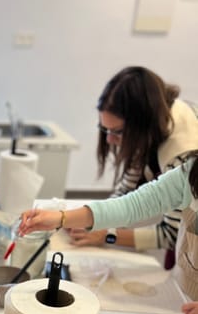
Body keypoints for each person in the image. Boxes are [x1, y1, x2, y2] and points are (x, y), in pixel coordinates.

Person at [19, 154, 198, 314]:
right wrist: (61, 217)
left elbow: (165, 235)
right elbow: (132, 205)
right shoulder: (190, 171)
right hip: (183, 298)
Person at [69, 67, 198, 264]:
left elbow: (170, 234)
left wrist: (106, 234)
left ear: (142, 126)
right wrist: (93, 219)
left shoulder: (183, 157)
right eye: (105, 130)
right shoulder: (158, 116)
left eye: (117, 132)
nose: (110, 139)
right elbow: (125, 195)